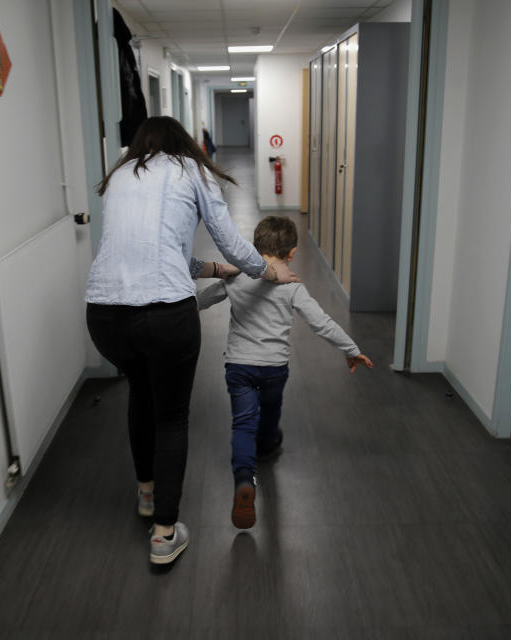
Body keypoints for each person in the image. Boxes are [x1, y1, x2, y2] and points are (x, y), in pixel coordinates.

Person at [84, 116, 298, 565]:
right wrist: (265, 269)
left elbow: (159, 250)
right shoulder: (191, 169)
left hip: (104, 316)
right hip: (163, 315)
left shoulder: (121, 173)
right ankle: (164, 533)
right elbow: (233, 243)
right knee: (172, 417)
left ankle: (147, 494)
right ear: (183, 142)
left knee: (141, 395)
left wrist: (217, 272)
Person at [196, 215, 373, 529]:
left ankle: (244, 482)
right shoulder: (292, 284)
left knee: (242, 423)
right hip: (274, 368)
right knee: (271, 408)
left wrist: (173, 309)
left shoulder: (236, 277)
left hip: (239, 365)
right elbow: (321, 322)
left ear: (255, 246)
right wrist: (351, 349)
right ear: (291, 253)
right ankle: (267, 444)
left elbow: (202, 301)